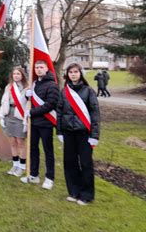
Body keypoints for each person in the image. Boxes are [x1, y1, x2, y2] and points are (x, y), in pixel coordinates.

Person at [56, 62, 100, 205]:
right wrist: (59, 131)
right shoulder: (64, 92)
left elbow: (95, 114)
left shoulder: (88, 91)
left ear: (80, 73)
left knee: (86, 164)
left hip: (84, 134)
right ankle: (74, 191)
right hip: (68, 133)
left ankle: (86, 195)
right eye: (71, 72)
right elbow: (59, 113)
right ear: (67, 75)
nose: (73, 74)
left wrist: (94, 135)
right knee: (70, 163)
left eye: (76, 71)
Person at [21, 60, 59, 190]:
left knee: (48, 151)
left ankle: (49, 178)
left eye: (41, 67)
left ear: (47, 68)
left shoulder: (52, 85)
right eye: (36, 67)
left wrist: (31, 112)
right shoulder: (34, 84)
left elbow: (50, 104)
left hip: (46, 123)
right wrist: (27, 96)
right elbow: (32, 101)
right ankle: (34, 174)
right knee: (33, 149)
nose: (38, 69)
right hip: (34, 123)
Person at [0, 66, 28, 177]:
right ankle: (15, 164)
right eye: (14, 74)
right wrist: (1, 116)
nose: (16, 76)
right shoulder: (9, 87)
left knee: (20, 142)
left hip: (20, 115)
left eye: (18, 74)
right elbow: (3, 101)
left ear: (22, 75)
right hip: (9, 114)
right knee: (12, 142)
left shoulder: (27, 88)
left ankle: (22, 166)